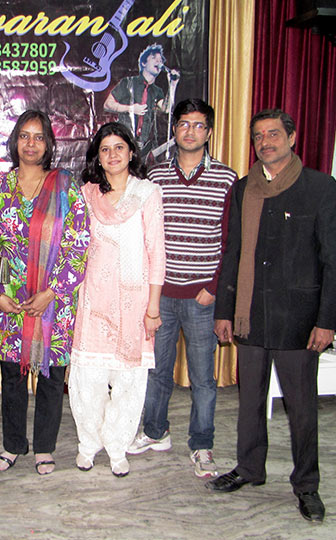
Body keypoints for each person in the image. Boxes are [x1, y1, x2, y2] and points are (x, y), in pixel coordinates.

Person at [206, 109, 336, 524]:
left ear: (292, 137)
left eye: (272, 134)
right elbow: (233, 251)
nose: (264, 142)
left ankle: (307, 485)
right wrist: (224, 310)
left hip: (298, 319)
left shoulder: (320, 187)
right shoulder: (244, 189)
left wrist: (326, 320)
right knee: (250, 400)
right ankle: (250, 468)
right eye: (258, 136)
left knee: (301, 408)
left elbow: (333, 262)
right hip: (250, 315)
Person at [0, 110, 89, 475]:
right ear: (15, 141)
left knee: (51, 378)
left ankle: (44, 448)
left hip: (54, 301)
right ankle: (13, 444)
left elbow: (79, 242)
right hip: (10, 299)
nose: (31, 144)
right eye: (24, 135)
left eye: (39, 137)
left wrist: (51, 292)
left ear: (48, 144)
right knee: (13, 377)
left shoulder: (65, 187)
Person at [129, 99, 237, 479]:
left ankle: (202, 444)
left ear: (209, 132)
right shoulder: (154, 177)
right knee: (156, 370)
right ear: (174, 130)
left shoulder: (226, 179)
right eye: (184, 124)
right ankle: (155, 431)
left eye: (199, 125)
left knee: (203, 377)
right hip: (160, 295)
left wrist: (214, 287)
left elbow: (232, 241)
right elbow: (143, 236)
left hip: (201, 297)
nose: (190, 131)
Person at [68, 122, 165, 477]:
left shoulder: (148, 193)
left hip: (134, 302)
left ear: (131, 152)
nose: (112, 155)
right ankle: (88, 444)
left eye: (119, 147)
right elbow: (75, 245)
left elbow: (157, 252)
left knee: (129, 381)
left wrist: (153, 308)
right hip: (93, 298)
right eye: (105, 149)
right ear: (97, 156)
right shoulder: (87, 194)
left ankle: (117, 445)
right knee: (88, 378)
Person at [104, 43, 179, 164]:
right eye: (154, 58)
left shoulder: (157, 91)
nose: (159, 62)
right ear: (144, 63)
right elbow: (108, 104)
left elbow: (166, 108)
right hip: (124, 141)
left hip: (144, 146)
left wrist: (173, 85)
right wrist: (130, 109)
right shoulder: (128, 82)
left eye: (160, 60)